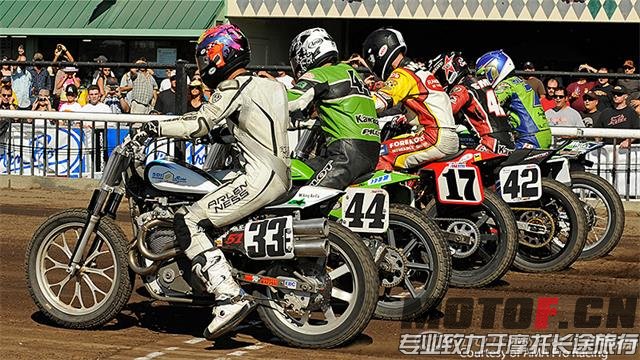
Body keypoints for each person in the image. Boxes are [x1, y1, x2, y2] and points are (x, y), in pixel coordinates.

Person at [141, 24, 291, 340]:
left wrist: (156, 128)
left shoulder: (232, 88)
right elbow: (256, 126)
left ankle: (227, 294)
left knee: (188, 218)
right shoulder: (271, 86)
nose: (200, 68)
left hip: (258, 177)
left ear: (218, 56)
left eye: (202, 59)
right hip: (278, 174)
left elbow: (198, 122)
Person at [287, 27, 380, 188]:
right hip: (371, 152)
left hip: (345, 153)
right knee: (299, 169)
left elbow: (291, 101)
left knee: (307, 200)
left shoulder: (321, 74)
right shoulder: (349, 71)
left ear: (306, 54)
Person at [362, 28, 458, 170]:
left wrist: (353, 102)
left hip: (433, 136)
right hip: (446, 135)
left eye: (371, 61)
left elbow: (378, 103)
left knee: (379, 154)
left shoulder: (402, 74)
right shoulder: (419, 70)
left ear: (381, 52)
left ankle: (389, 191)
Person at [429, 51, 515, 155]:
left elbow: (445, 112)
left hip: (490, 143)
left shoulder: (462, 88)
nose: (440, 82)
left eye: (439, 77)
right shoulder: (482, 81)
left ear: (449, 71)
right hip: (508, 140)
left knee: (447, 160)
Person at [475, 50, 552, 149]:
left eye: (483, 75)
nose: (483, 79)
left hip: (529, 137)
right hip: (541, 133)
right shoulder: (518, 82)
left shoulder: (505, 85)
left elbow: (488, 104)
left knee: (494, 159)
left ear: (493, 70)